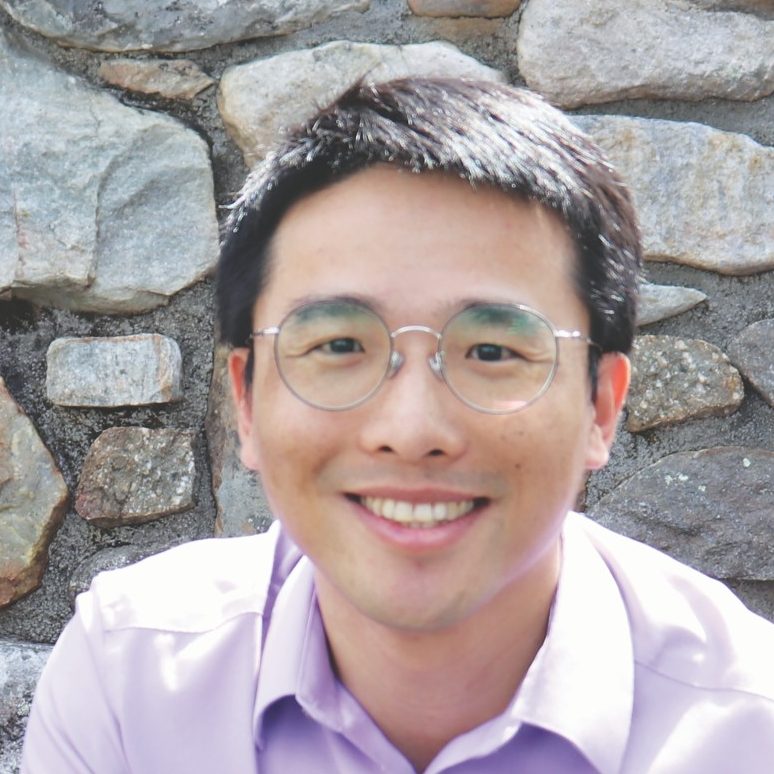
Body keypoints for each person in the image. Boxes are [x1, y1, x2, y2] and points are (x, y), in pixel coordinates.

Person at [22, 78, 773, 773]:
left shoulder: (746, 731)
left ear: (600, 409)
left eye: (491, 350)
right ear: (246, 402)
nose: (412, 430)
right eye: (341, 345)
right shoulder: (131, 681)